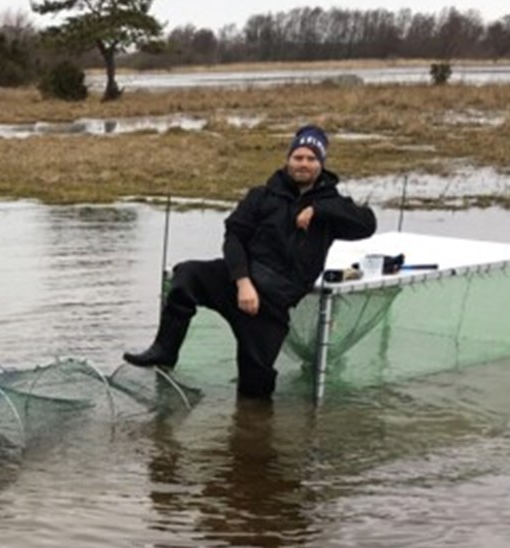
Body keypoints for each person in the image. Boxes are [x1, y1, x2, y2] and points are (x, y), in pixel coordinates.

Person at [123, 125, 376, 398]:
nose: (303, 164)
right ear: (288, 160)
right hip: (237, 282)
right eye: (298, 157)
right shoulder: (262, 196)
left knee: (255, 391)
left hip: (271, 306)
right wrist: (243, 282)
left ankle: (252, 436)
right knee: (186, 276)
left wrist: (318, 210)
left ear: (321, 164)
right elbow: (234, 236)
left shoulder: (333, 208)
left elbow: (367, 224)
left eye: (311, 159)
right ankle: (165, 350)